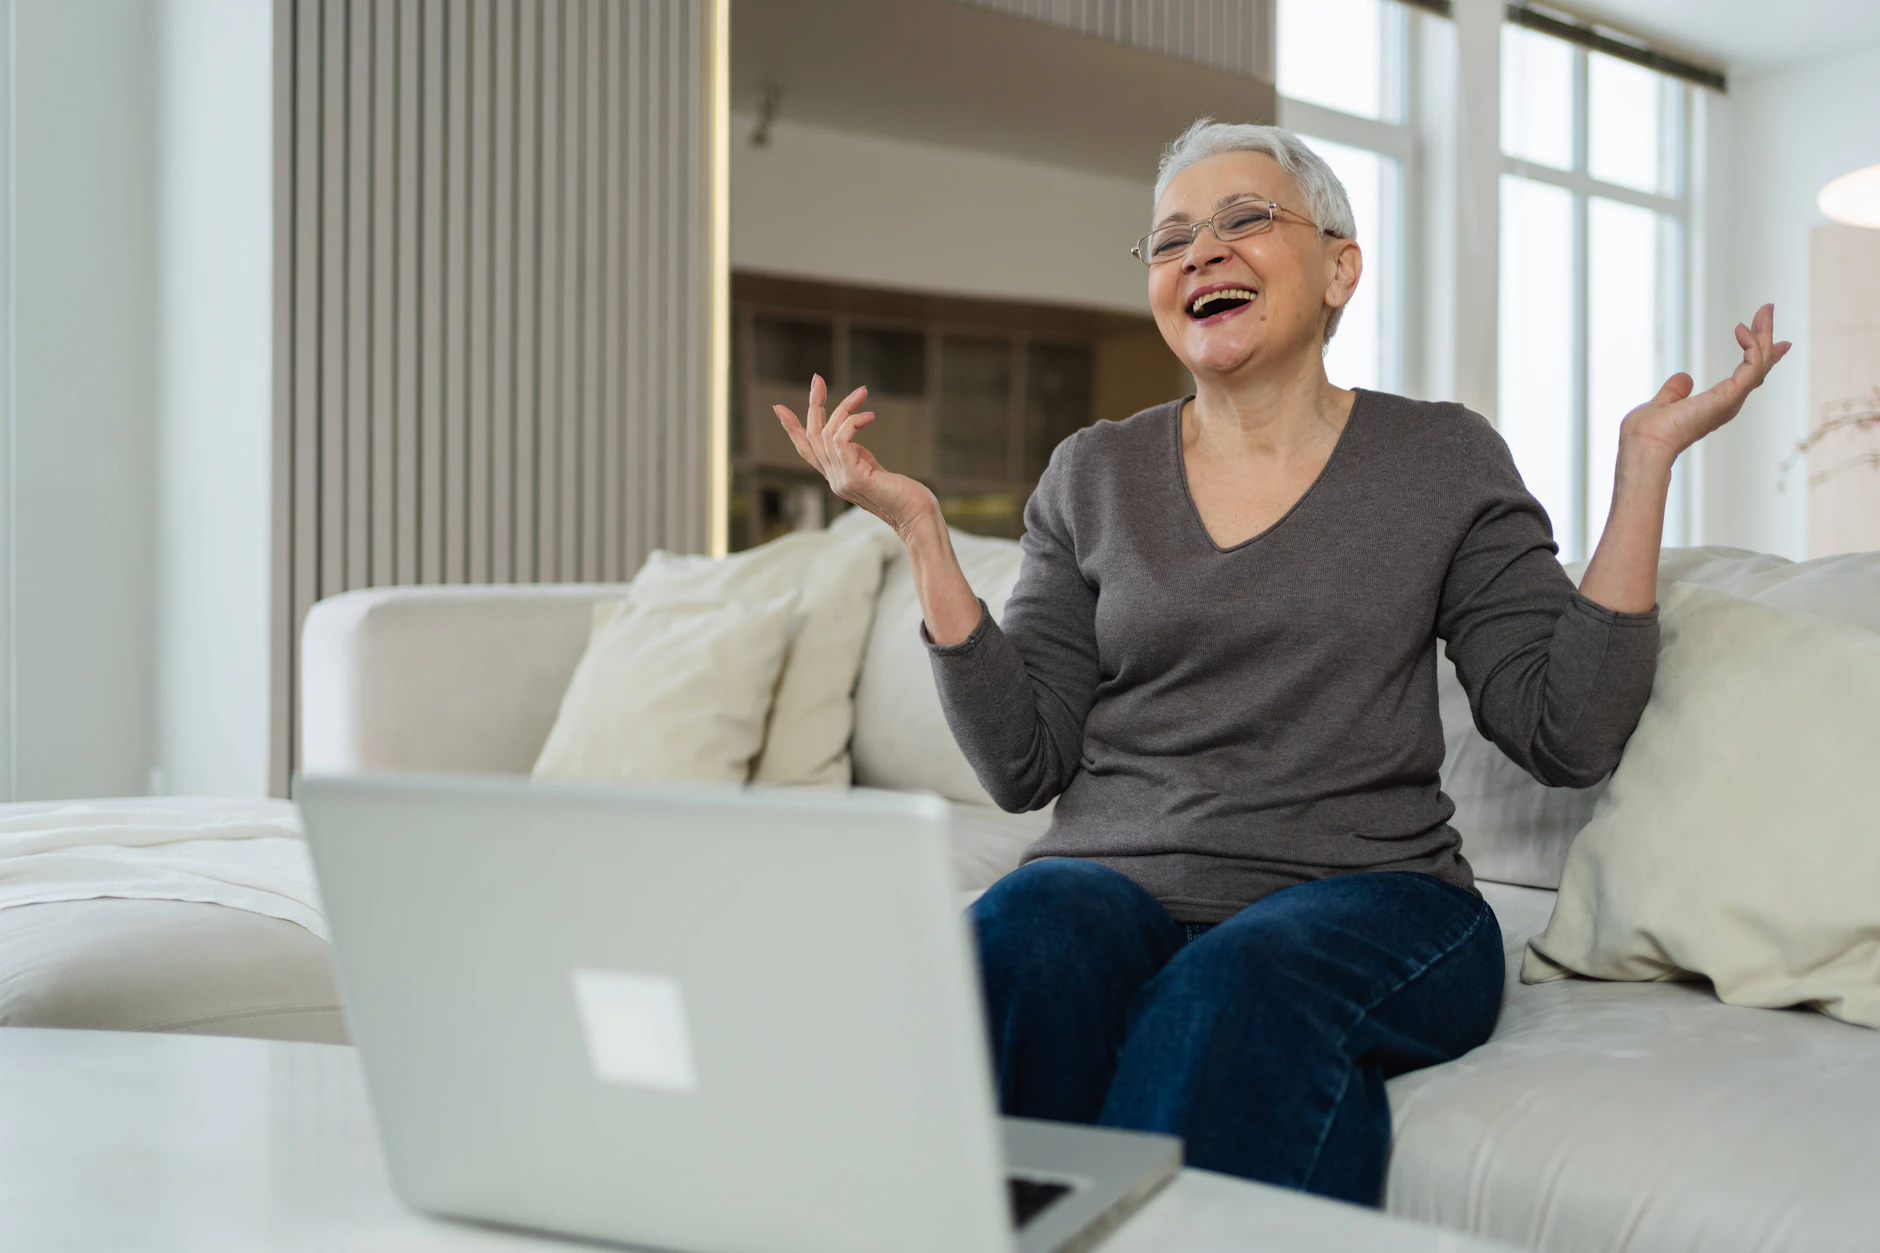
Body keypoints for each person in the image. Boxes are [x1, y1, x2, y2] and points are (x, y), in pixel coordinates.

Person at [772, 118, 1789, 1206]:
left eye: (1243, 219)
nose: (1200, 253)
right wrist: (923, 535)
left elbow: (1566, 730)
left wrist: (1641, 467)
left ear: (1339, 268)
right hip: (1114, 880)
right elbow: (1023, 764)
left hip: (1370, 895)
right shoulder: (1091, 473)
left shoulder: (1438, 457)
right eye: (1169, 241)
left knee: (1234, 982)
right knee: (1019, 929)